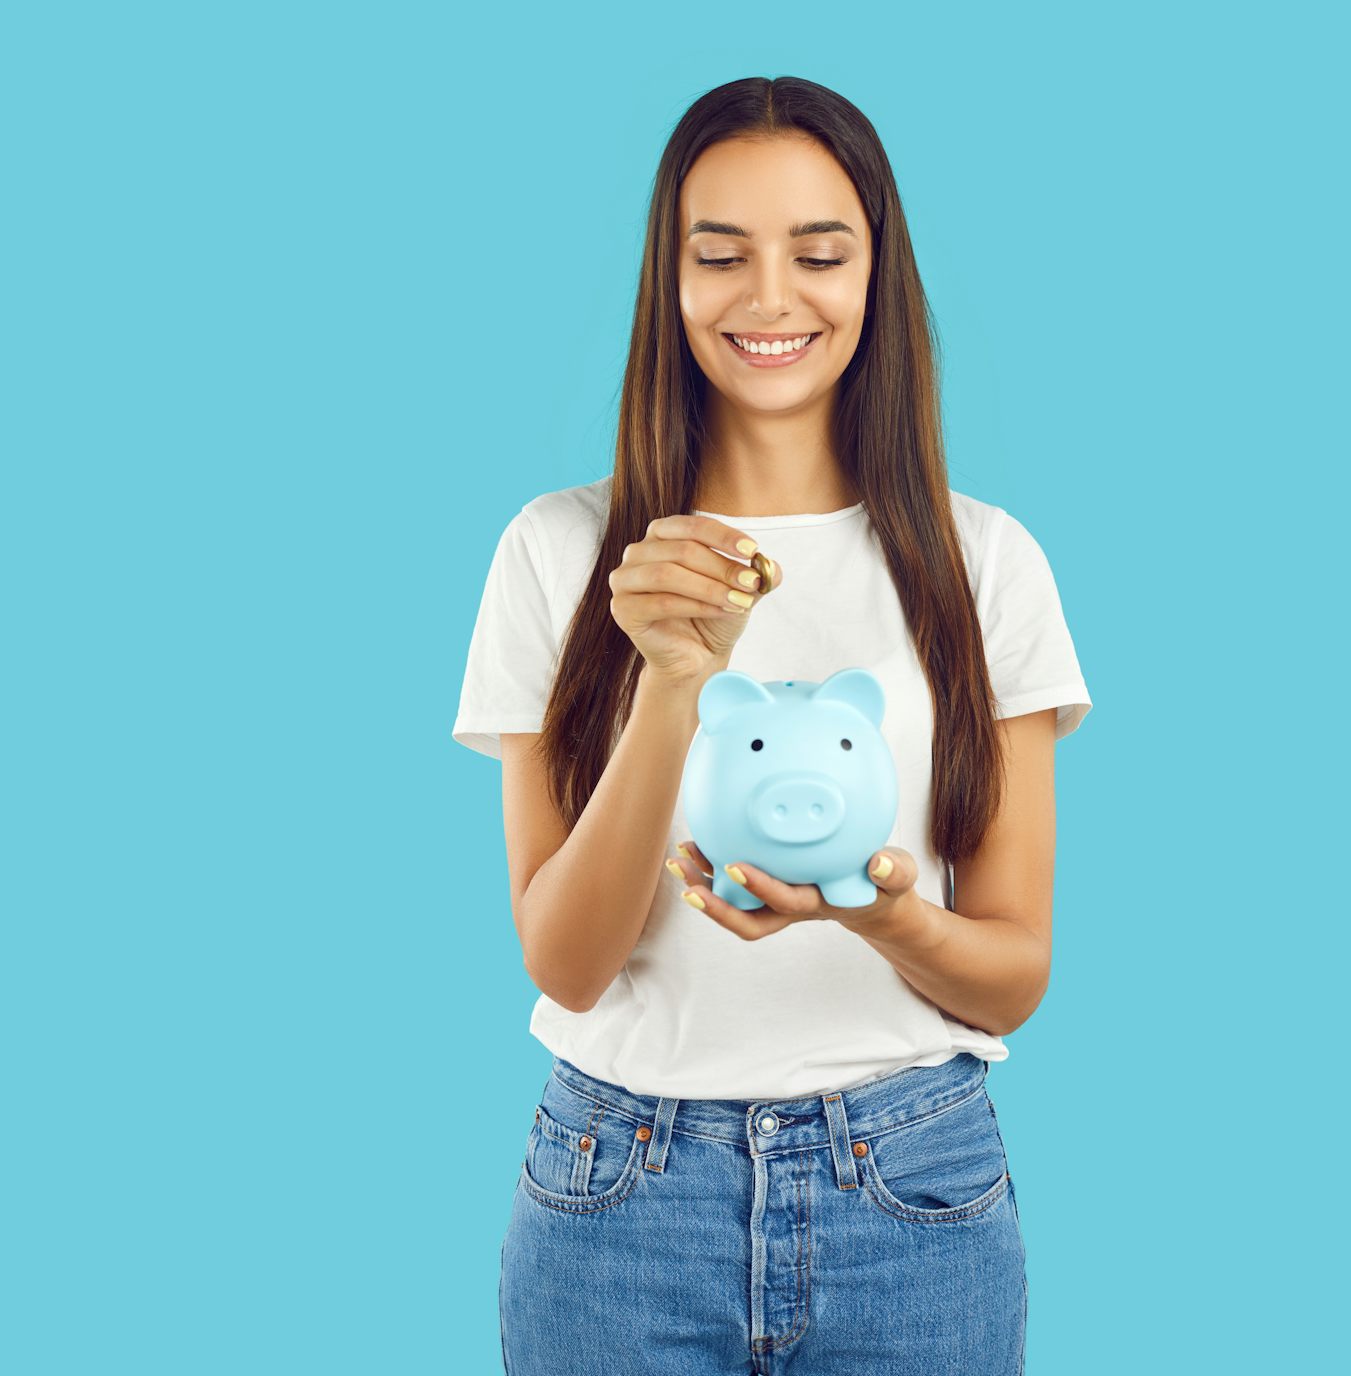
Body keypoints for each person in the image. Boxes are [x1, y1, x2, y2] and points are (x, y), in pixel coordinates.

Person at [451, 75, 1089, 1376]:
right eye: (720, 253)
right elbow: (566, 965)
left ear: (878, 272)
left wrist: (879, 910)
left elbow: (1015, 968)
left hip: (916, 1192)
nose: (770, 298)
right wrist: (674, 682)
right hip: (617, 1193)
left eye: (819, 250)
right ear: (668, 279)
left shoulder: (986, 565)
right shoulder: (560, 553)